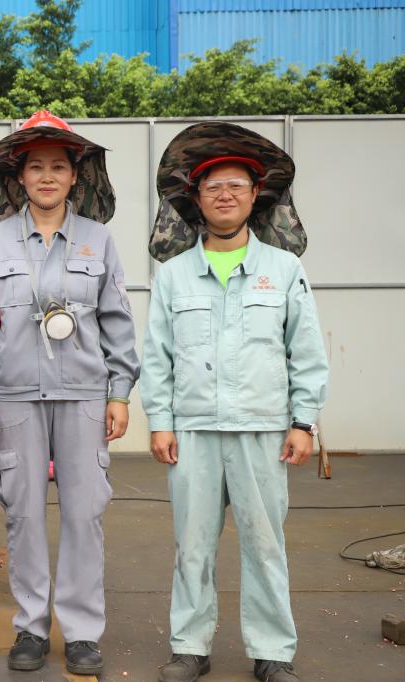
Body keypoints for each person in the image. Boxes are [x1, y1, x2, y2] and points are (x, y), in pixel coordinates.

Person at [142, 121, 328, 682]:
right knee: (191, 547)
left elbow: (306, 351)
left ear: (255, 196)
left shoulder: (284, 269)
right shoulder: (174, 275)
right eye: (213, 187)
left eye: (236, 186)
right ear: (196, 200)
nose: (225, 195)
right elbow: (158, 355)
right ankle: (189, 647)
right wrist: (160, 421)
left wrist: (303, 422)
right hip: (193, 430)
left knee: (265, 545)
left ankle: (272, 652)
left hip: (262, 429)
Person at [0, 110, 139, 675]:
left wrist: (119, 392)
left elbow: (117, 321)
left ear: (74, 176)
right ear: (19, 177)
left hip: (84, 394)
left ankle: (82, 632)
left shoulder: (98, 240)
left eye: (57, 167)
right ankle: (31, 628)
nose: (46, 176)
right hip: (14, 397)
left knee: (85, 513)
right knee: (23, 513)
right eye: (35, 167)